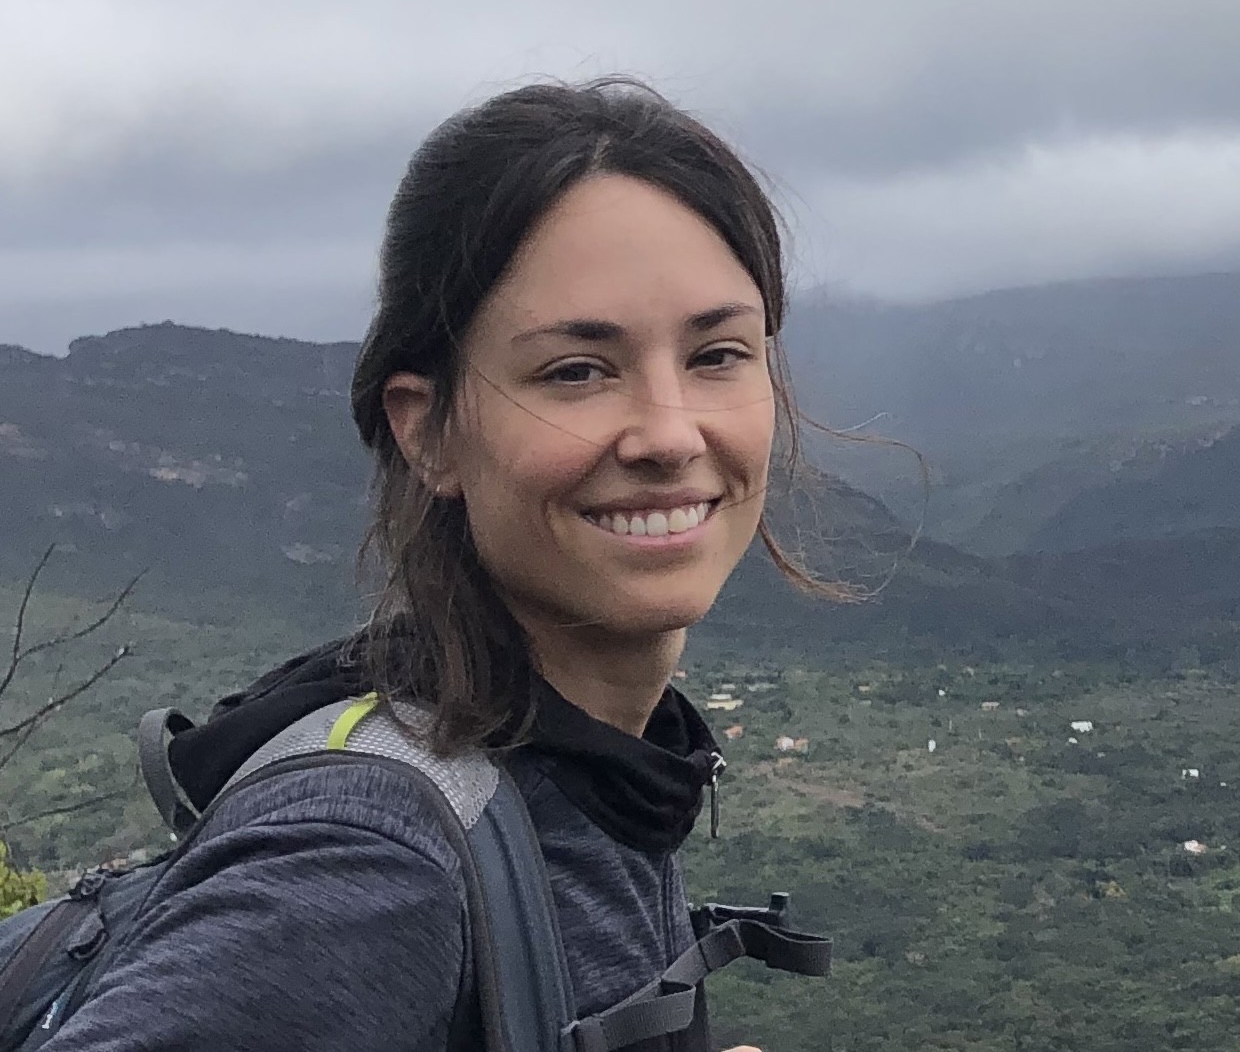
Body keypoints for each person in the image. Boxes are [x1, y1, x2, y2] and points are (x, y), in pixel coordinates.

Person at [41, 78, 839, 1051]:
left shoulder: (593, 768)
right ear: (427, 431)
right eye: (576, 370)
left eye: (717, 354)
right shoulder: (373, 859)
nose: (670, 434)